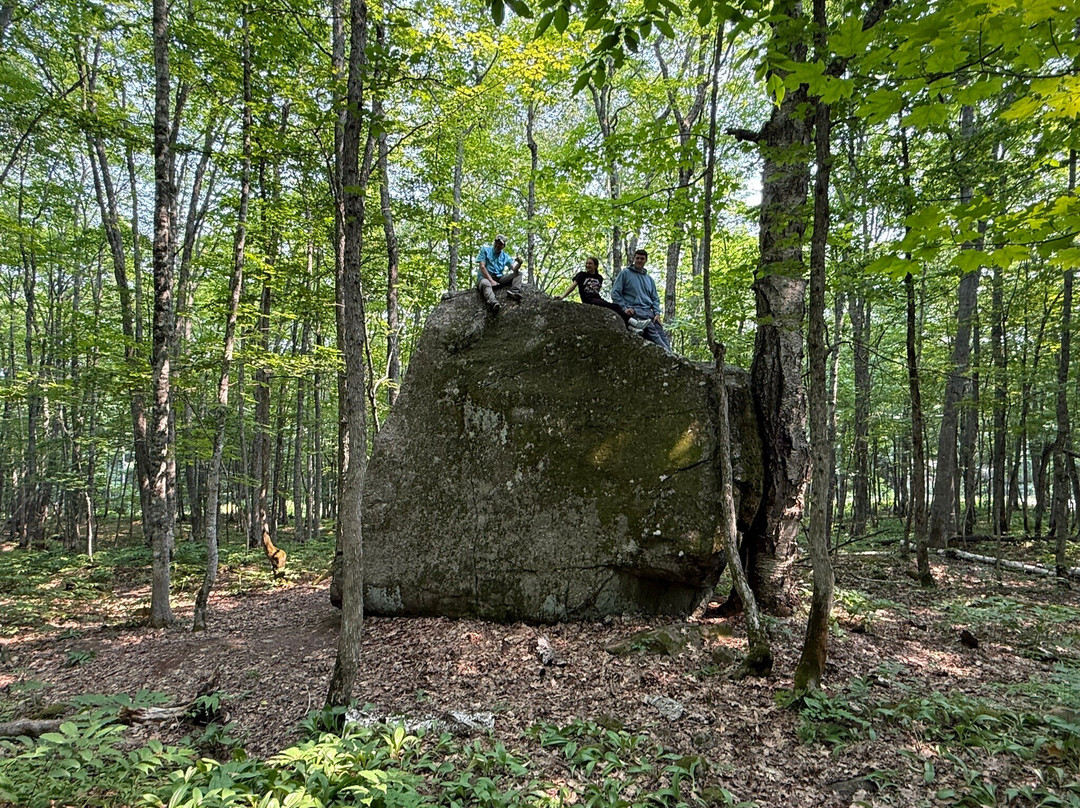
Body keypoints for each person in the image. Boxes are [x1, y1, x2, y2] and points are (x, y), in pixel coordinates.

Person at [558, 255, 652, 332]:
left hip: (597, 299)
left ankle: (631, 328)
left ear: (595, 266)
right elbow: (573, 286)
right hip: (588, 300)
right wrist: (562, 296)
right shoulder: (581, 275)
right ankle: (635, 323)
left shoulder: (599, 278)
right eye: (586, 263)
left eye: (590, 263)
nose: (587, 265)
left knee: (615, 308)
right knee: (616, 307)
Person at [611, 249, 672, 352]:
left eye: (642, 259)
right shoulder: (625, 273)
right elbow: (615, 293)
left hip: (649, 311)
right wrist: (625, 308)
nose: (639, 260)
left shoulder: (649, 279)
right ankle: (669, 355)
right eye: (637, 258)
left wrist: (657, 313)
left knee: (660, 331)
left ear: (646, 260)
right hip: (635, 309)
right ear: (634, 259)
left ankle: (672, 354)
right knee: (652, 331)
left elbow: (655, 298)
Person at [476, 234, 523, 312]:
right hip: (484, 278)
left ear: (503, 246)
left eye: (500, 244)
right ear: (494, 242)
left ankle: (514, 292)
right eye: (496, 242)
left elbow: (514, 269)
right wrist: (491, 281)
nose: (497, 245)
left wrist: (519, 263)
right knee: (486, 283)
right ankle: (493, 303)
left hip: (498, 278)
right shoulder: (485, 250)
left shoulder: (505, 256)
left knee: (518, 274)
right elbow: (482, 267)